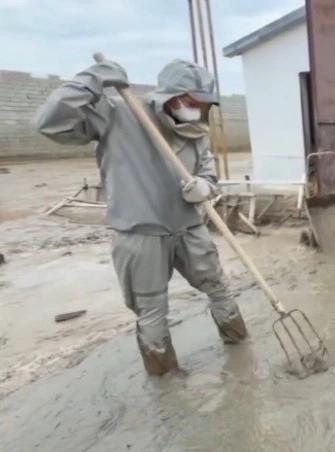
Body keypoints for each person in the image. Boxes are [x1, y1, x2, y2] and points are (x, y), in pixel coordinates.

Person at [35, 59, 248, 376]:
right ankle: (166, 379)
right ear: (170, 96)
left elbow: (207, 171)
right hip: (140, 233)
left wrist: (205, 186)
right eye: (191, 102)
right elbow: (50, 123)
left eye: (203, 105)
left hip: (189, 227)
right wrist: (91, 80)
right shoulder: (119, 114)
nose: (197, 110)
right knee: (151, 311)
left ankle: (240, 347)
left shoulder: (196, 129)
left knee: (219, 288)